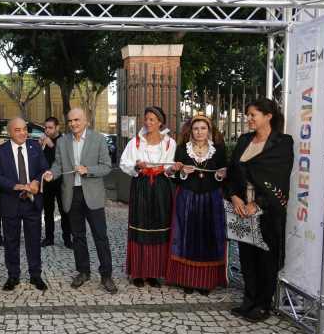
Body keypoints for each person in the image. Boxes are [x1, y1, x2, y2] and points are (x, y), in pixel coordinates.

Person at [227, 98, 293, 322]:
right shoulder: (245, 140)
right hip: (242, 209)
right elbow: (232, 172)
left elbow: (280, 180)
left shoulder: (282, 143)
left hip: (267, 211)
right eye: (248, 115)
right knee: (246, 256)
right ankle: (249, 299)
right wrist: (235, 197)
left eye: (253, 115)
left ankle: (263, 304)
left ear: (268, 116)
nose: (249, 119)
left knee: (266, 258)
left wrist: (257, 204)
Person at [43, 108, 118, 294]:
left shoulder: (98, 139)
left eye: (77, 120)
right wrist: (52, 173)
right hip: (71, 193)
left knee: (100, 236)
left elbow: (106, 167)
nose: (73, 124)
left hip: (93, 194)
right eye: (70, 121)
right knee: (78, 236)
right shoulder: (62, 141)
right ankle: (83, 271)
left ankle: (106, 275)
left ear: (86, 121)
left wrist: (88, 169)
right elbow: (58, 165)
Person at [165, 115, 227, 295]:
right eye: (196, 128)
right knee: (186, 237)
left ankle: (205, 282)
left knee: (209, 238)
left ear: (209, 130)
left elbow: (223, 174)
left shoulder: (219, 150)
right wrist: (182, 172)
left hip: (211, 199)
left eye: (203, 128)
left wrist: (221, 174)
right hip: (187, 197)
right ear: (191, 131)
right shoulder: (182, 150)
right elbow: (174, 177)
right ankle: (187, 280)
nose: (199, 132)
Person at [119, 106, 176, 288]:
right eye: (146, 119)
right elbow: (124, 163)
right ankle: (138, 272)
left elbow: (170, 168)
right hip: (142, 185)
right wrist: (137, 165)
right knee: (139, 226)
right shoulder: (135, 142)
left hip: (161, 186)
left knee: (159, 226)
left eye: (152, 119)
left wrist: (171, 169)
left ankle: (154, 273)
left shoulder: (169, 143)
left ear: (160, 122)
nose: (148, 122)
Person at [0, 118, 49, 292]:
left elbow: (43, 169)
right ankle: (13, 276)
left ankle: (35, 275)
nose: (23, 133)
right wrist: (14, 186)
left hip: (32, 202)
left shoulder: (35, 147)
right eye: (18, 130)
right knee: (11, 241)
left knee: (34, 241)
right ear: (10, 132)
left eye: (24, 129)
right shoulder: (0, 151)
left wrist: (36, 182)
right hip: (11, 202)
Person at [40, 117, 72, 248]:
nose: (47, 130)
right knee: (48, 211)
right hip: (47, 182)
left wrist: (52, 146)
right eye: (46, 128)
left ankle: (67, 239)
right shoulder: (43, 141)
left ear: (57, 127)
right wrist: (39, 147)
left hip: (61, 181)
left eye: (50, 128)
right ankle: (49, 238)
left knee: (64, 211)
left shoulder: (64, 141)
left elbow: (65, 160)